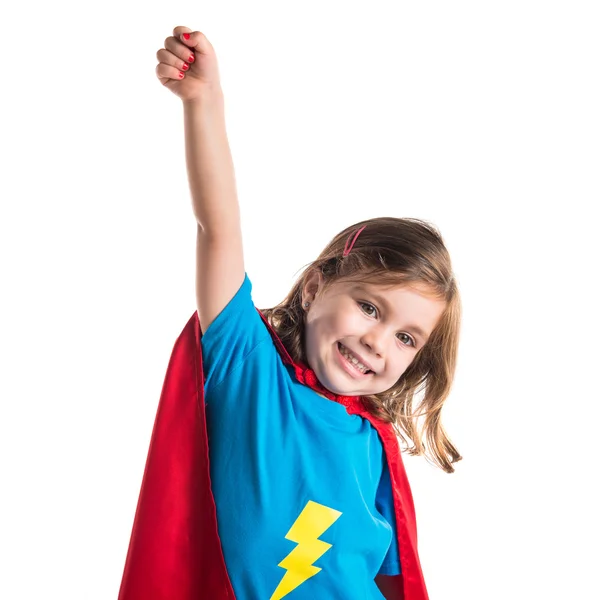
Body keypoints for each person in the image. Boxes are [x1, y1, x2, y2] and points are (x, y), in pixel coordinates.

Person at [118, 26, 462, 600]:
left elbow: (386, 577)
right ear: (315, 287)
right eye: (369, 307)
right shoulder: (247, 370)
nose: (379, 341)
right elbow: (217, 228)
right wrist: (205, 102)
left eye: (407, 337)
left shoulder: (372, 444)